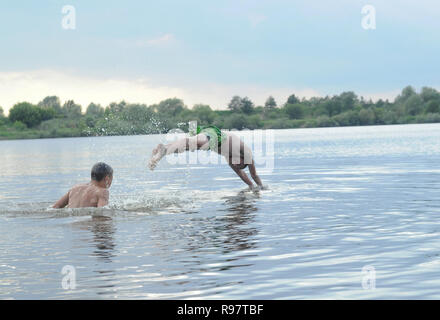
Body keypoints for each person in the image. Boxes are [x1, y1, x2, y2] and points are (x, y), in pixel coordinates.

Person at [149, 125, 264, 190]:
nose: (235, 164)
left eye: (236, 165)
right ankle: (163, 150)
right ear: (243, 159)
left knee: (188, 147)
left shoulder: (230, 160)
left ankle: (165, 148)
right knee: (192, 142)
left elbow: (241, 174)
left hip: (211, 143)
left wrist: (251, 187)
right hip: (216, 136)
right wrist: (261, 186)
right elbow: (253, 174)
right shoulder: (246, 152)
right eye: (238, 162)